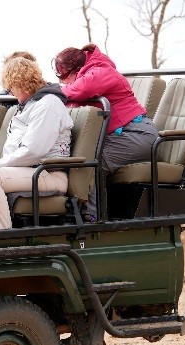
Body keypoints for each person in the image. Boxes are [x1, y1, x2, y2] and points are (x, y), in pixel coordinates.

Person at [53, 44, 159, 219]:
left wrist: (54, 92)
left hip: (137, 134)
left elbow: (82, 89)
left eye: (64, 76)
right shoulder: (85, 76)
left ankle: (92, 219)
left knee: (94, 161)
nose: (62, 82)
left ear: (77, 69)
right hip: (118, 134)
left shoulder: (101, 71)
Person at [0, 57, 73, 230]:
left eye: (11, 87)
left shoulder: (48, 105)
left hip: (49, 174)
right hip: (32, 171)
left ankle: (2, 240)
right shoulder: (31, 104)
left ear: (22, 83)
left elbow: (33, 151)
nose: (10, 92)